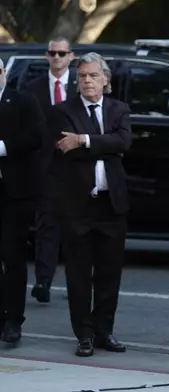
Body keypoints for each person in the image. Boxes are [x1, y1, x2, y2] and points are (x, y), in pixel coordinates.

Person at [52, 52, 132, 357]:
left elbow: (123, 142)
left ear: (105, 80)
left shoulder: (119, 109)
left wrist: (84, 140)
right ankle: (83, 334)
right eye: (82, 75)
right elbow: (63, 148)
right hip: (77, 205)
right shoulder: (62, 111)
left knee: (110, 273)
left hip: (112, 205)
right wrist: (105, 145)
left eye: (93, 75)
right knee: (79, 273)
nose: (87, 80)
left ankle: (104, 331)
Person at [25, 37, 76, 303]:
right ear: (47, 56)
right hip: (44, 168)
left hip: (76, 167)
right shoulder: (32, 89)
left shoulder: (81, 87)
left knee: (76, 226)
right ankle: (43, 281)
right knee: (46, 224)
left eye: (61, 53)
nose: (56, 58)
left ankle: (76, 283)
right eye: (52, 53)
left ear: (71, 56)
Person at [0, 59, 44, 344]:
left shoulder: (22, 100)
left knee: (11, 254)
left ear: (2, 73)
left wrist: (3, 147)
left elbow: (36, 136)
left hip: (14, 192)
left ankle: (13, 320)